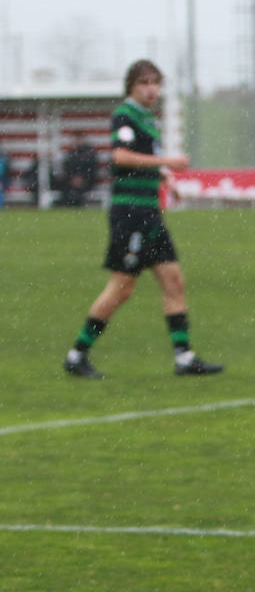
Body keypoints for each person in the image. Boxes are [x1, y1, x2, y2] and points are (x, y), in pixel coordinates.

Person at [62, 60, 222, 380]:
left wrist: (164, 177)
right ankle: (77, 354)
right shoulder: (125, 115)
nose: (152, 89)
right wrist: (169, 162)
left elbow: (141, 160)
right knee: (122, 288)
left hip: (149, 213)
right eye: (145, 83)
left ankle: (184, 357)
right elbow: (120, 157)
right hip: (130, 213)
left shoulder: (147, 119)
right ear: (131, 86)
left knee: (174, 280)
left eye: (156, 83)